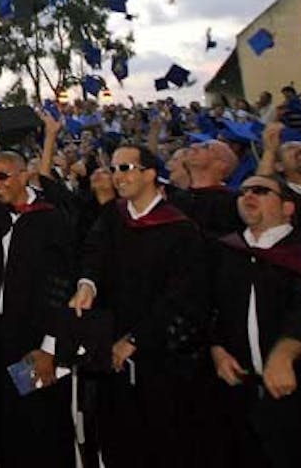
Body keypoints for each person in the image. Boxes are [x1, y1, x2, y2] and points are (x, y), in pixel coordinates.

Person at [68, 143, 208, 467]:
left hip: (160, 359)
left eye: (125, 168)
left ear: (150, 174)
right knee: (118, 440)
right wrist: (87, 284)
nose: (117, 176)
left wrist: (135, 340)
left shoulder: (180, 228)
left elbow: (182, 298)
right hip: (111, 350)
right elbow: (93, 254)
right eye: (114, 169)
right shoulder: (112, 217)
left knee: (162, 443)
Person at [204, 175, 301, 467]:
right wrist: (216, 349)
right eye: (243, 191)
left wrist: (286, 352)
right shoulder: (224, 251)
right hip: (239, 393)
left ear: (287, 207)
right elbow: (208, 308)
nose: (248, 196)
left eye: (260, 191)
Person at [0, 117, 76, 467]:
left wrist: (50, 347)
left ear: (24, 175)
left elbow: (62, 287)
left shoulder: (51, 219)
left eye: (3, 176)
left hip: (33, 339)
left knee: (35, 423)